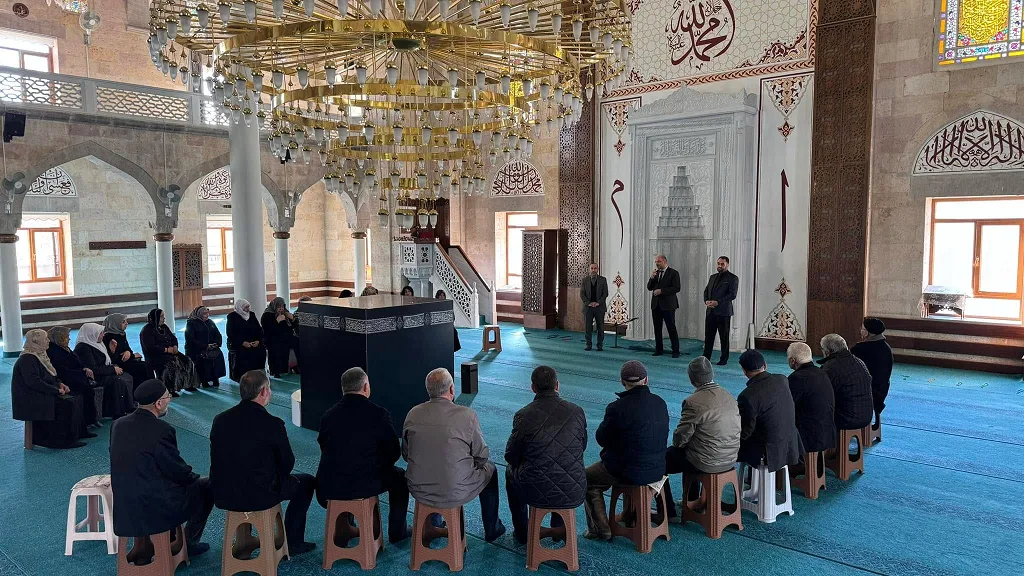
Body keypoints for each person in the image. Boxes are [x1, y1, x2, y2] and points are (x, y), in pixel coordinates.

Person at [210, 370, 316, 554]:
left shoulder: (220, 420)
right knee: (306, 482)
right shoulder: (272, 423)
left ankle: (245, 539)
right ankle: (293, 541)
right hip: (261, 493)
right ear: (264, 392)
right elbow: (287, 463)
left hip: (223, 492)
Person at [110, 379, 214, 556]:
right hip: (156, 505)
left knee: (163, 483)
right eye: (168, 397)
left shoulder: (118, 425)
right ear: (158, 403)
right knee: (206, 486)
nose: (169, 400)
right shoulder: (162, 429)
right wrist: (192, 475)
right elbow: (176, 471)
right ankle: (187, 544)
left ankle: (152, 544)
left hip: (124, 503)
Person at [403, 368, 506, 542]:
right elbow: (482, 456)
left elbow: (406, 455)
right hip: (455, 490)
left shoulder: (413, 413)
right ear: (452, 389)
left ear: (428, 390)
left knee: (432, 467)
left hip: (418, 488)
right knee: (491, 470)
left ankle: (435, 523)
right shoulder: (467, 415)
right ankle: (492, 528)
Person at [316, 367, 410, 543]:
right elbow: (393, 452)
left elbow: (324, 446)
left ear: (343, 388)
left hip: (328, 486)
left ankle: (344, 527)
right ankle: (398, 532)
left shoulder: (328, 416)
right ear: (365, 387)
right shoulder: (379, 414)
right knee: (400, 478)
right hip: (365, 483)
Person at [583, 360, 669, 540]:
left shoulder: (617, 408)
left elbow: (601, 438)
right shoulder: (660, 403)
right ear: (646, 380)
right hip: (658, 469)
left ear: (622, 382)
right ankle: (632, 515)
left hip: (626, 470)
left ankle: (601, 529)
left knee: (586, 479)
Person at [505, 366, 587, 544]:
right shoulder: (577, 411)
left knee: (509, 472)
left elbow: (511, 456)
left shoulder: (523, 415)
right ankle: (558, 528)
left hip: (533, 488)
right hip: (573, 488)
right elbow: (582, 446)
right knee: (561, 463)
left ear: (532, 388)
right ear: (557, 385)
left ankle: (522, 532)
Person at [663, 357, 740, 520]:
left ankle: (668, 512)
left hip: (706, 461)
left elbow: (680, 439)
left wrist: (678, 443)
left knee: (658, 461)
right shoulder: (729, 395)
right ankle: (691, 501)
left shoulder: (693, 402)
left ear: (692, 379)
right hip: (731, 458)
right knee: (692, 450)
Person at [12, 329, 85, 449]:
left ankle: (73, 436)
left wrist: (60, 384)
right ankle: (58, 440)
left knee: (76, 398)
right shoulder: (27, 359)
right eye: (45, 338)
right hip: (30, 398)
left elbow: (50, 375)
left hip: (40, 393)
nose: (48, 341)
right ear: (37, 341)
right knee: (65, 404)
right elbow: (34, 382)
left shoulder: (40, 355)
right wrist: (55, 390)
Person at [736, 350, 803, 472]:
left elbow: (746, 432)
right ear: (765, 365)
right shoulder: (782, 379)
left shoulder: (747, 396)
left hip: (769, 451)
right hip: (790, 443)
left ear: (744, 371)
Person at [75, 323, 135, 419]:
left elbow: (107, 361)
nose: (103, 335)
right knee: (117, 381)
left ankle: (126, 407)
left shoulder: (97, 344)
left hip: (103, 372)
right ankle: (116, 411)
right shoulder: (84, 348)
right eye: (101, 333)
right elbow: (94, 369)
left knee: (126, 377)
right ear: (92, 334)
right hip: (93, 376)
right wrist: (113, 369)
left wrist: (111, 351)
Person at [786, 342, 836, 454]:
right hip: (828, 431)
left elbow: (787, 406)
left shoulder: (797, 378)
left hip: (810, 437)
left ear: (792, 360)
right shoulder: (821, 372)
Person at [47, 327, 99, 433]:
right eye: (66, 337)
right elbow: (62, 370)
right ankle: (85, 423)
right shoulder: (54, 351)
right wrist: (81, 374)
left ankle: (91, 420)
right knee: (84, 390)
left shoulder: (64, 348)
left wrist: (84, 368)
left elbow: (77, 361)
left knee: (88, 390)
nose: (69, 339)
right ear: (58, 338)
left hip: (76, 375)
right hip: (67, 379)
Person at [819, 334, 873, 432]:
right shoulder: (859, 362)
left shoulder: (830, 368)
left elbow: (823, 395)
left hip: (846, 419)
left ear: (827, 352)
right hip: (867, 415)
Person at [140, 309, 199, 395]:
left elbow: (173, 338)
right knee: (172, 365)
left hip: (170, 352)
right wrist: (166, 350)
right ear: (155, 318)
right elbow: (150, 347)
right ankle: (170, 389)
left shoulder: (164, 327)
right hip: (156, 356)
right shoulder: (146, 330)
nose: (164, 318)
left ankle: (187, 384)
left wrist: (175, 346)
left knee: (187, 361)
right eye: (161, 316)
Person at [852, 318, 893, 427]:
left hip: (866, 393)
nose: (861, 330)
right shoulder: (886, 348)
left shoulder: (860, 349)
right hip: (881, 391)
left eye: (863, 328)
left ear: (868, 332)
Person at [702, 256, 739, 366]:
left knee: (724, 337)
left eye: (722, 264)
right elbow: (706, 291)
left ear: (727, 264)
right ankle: (706, 358)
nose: (719, 266)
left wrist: (717, 302)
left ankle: (724, 359)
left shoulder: (733, 278)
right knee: (708, 337)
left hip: (723, 312)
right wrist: (706, 301)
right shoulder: (712, 277)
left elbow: (732, 295)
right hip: (710, 311)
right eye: (718, 263)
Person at [103, 313, 154, 386]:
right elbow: (113, 358)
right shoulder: (107, 337)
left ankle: (152, 390)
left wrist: (128, 353)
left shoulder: (121, 334)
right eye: (123, 322)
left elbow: (128, 350)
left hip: (127, 361)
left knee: (147, 365)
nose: (127, 324)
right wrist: (113, 351)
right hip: (118, 364)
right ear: (115, 324)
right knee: (143, 368)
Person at [646, 255, 681, 357]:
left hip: (668, 305)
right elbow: (649, 287)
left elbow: (676, 288)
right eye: (656, 261)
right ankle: (659, 349)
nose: (657, 263)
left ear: (665, 261)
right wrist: (651, 278)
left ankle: (675, 351)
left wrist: (662, 291)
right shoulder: (655, 273)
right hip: (656, 305)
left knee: (671, 328)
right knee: (657, 329)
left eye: (659, 261)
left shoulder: (674, 273)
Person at [184, 306, 226, 388]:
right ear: (199, 314)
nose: (207, 315)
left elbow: (217, 334)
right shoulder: (191, 323)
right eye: (204, 314)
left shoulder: (210, 322)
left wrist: (217, 343)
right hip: (197, 349)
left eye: (207, 313)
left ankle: (215, 377)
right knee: (203, 359)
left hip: (211, 347)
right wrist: (205, 346)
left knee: (218, 355)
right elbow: (190, 340)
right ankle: (204, 380)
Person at [226, 299, 266, 382]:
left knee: (260, 351)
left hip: (253, 342)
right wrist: (242, 343)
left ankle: (257, 376)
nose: (248, 309)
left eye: (248, 307)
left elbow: (259, 330)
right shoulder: (232, 317)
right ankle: (243, 378)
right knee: (243, 354)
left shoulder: (251, 315)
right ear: (240, 307)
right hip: (239, 343)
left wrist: (258, 341)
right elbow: (230, 333)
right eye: (245, 307)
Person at [261, 297, 299, 378]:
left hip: (285, 337)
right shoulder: (267, 315)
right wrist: (277, 321)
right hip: (272, 338)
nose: (281, 309)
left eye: (282, 306)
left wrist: (292, 319)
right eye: (279, 307)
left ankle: (295, 366)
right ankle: (275, 371)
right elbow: (268, 330)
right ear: (274, 306)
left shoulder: (285, 313)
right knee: (276, 347)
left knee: (297, 342)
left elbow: (292, 327)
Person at [579, 263, 609, 352]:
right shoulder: (585, 280)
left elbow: (605, 293)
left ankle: (600, 345)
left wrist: (598, 303)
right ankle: (588, 345)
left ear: (597, 269)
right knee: (587, 327)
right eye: (592, 268)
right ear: (589, 269)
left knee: (600, 327)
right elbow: (582, 294)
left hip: (599, 307)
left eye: (595, 268)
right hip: (588, 308)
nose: (593, 270)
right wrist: (588, 303)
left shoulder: (603, 280)